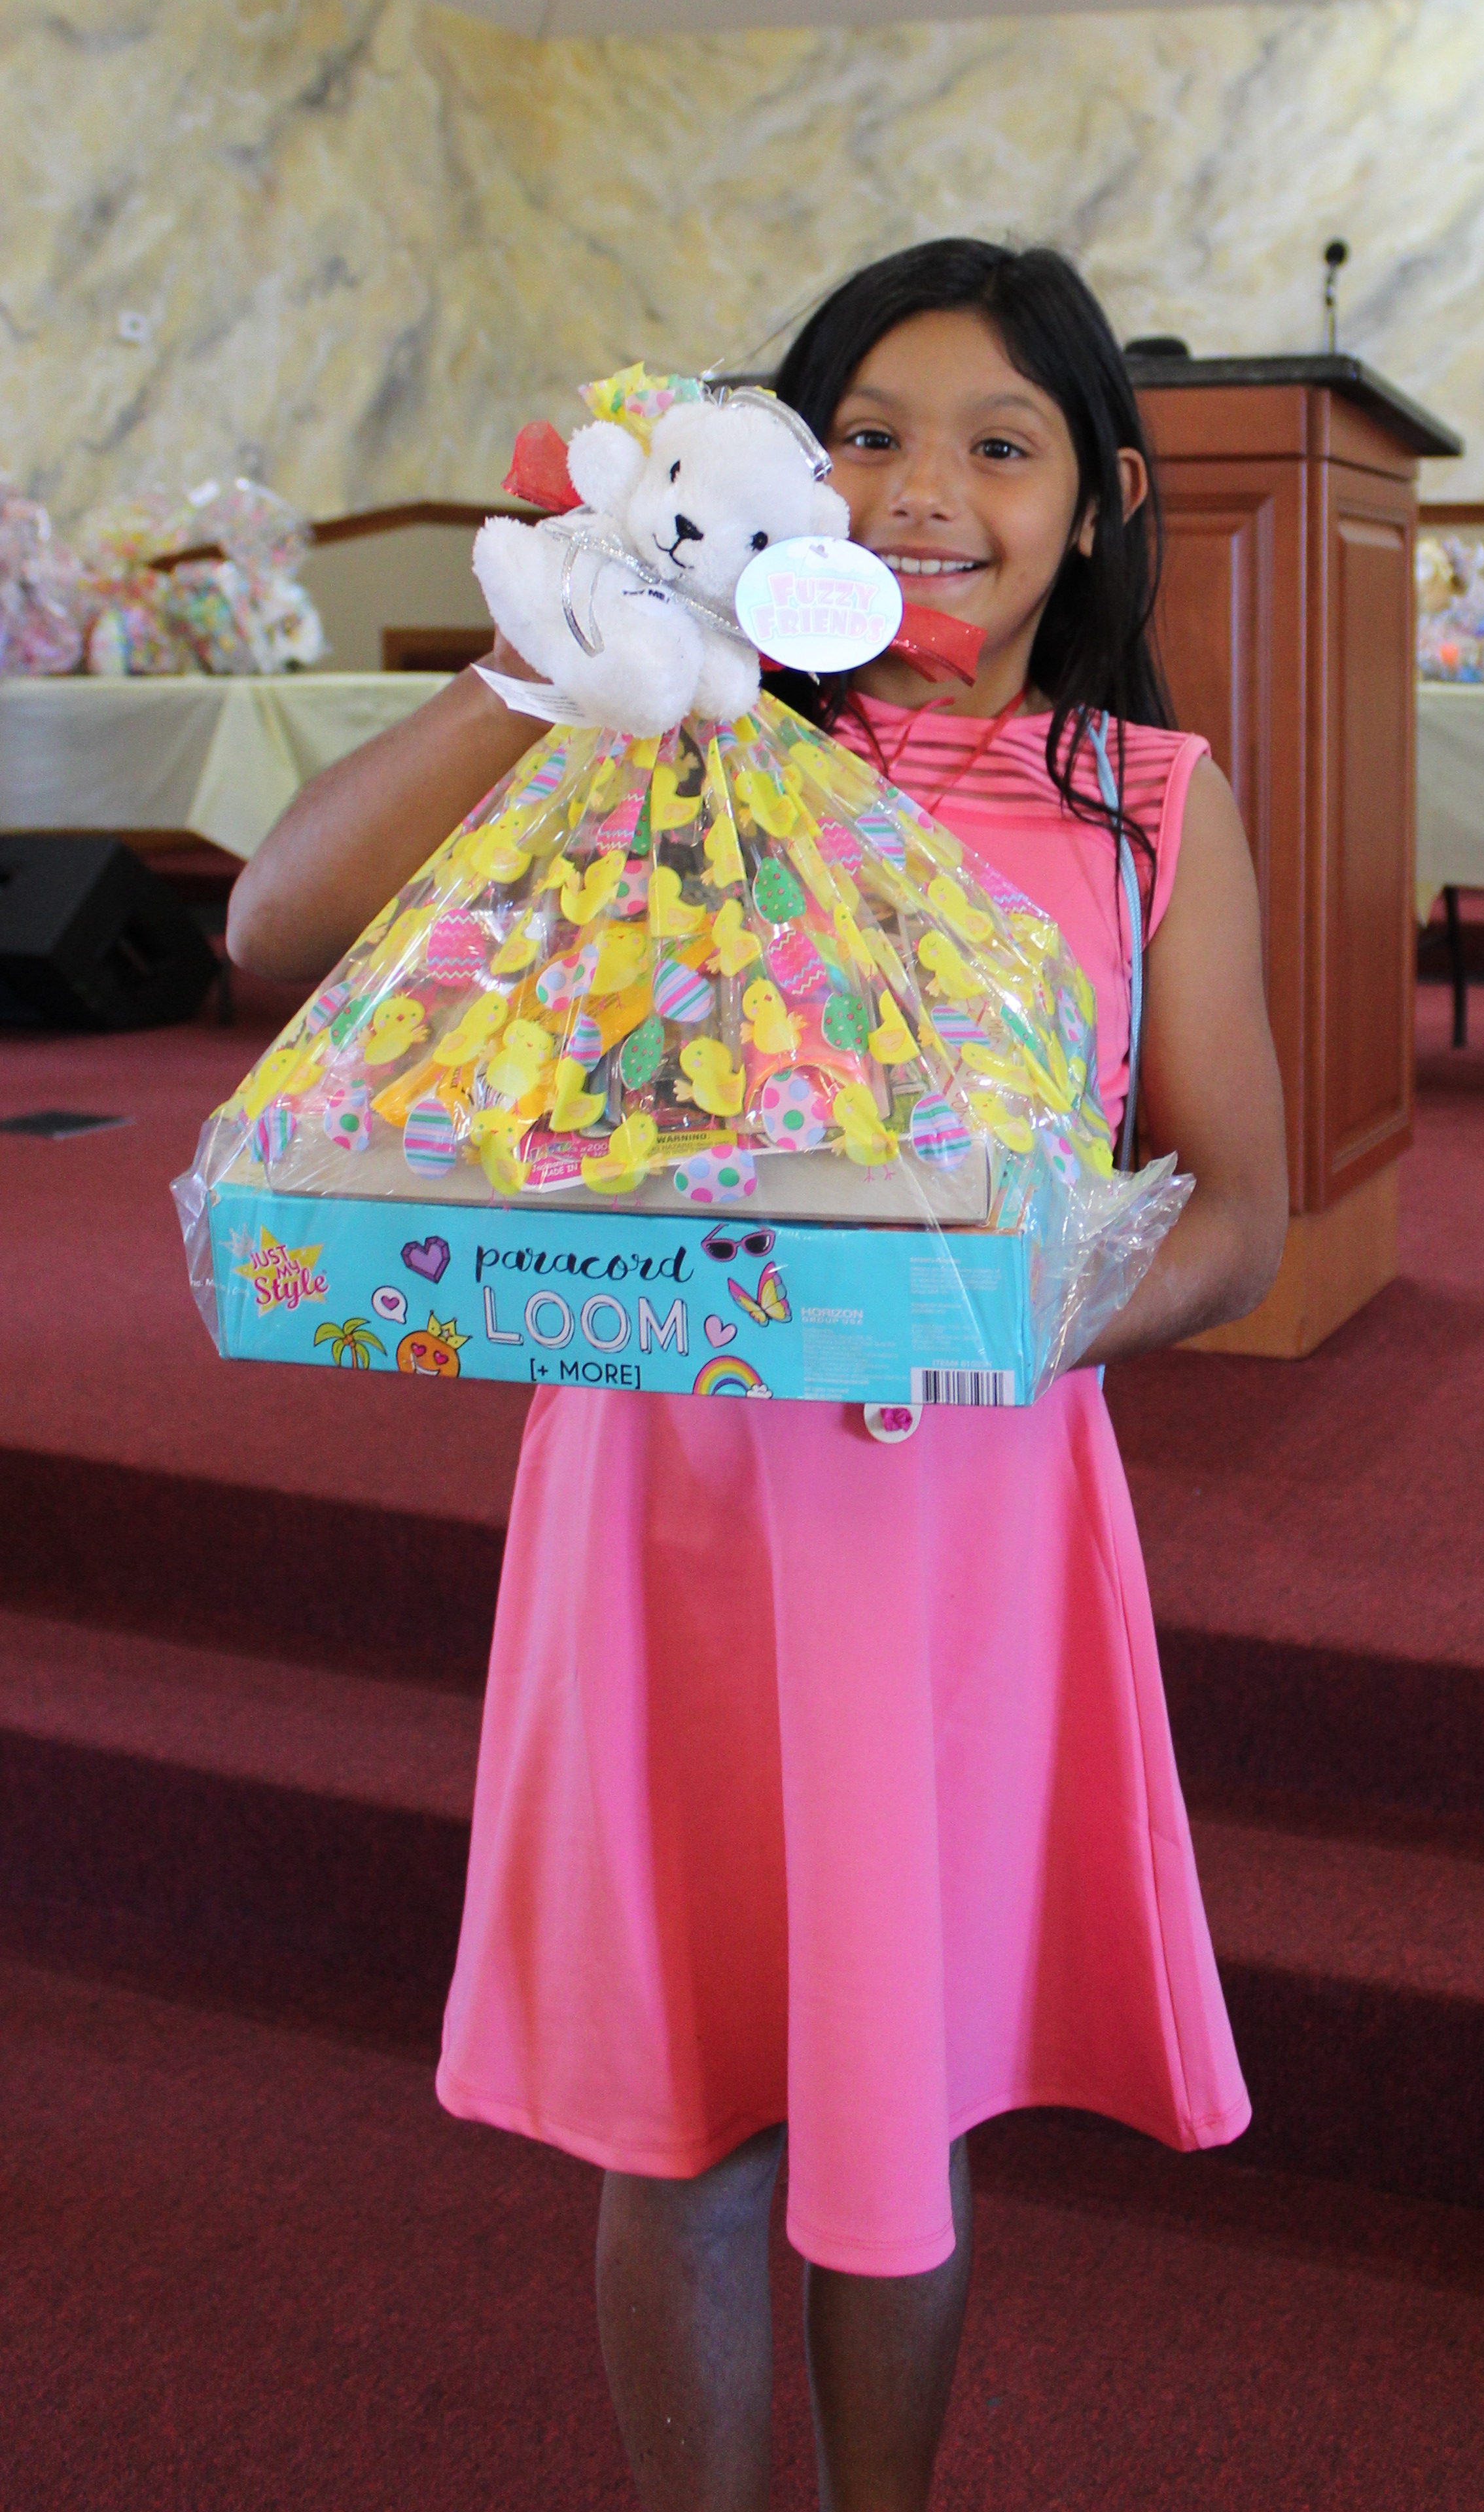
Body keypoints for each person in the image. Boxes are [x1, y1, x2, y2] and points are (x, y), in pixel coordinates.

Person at [226, 240, 1290, 2512]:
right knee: (685, 2110)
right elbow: (274, 922)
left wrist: (994, 1314)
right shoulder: (680, 739)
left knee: (897, 2110)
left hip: (956, 1525)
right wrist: (587, 635)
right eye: (869, 438)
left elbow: (1234, 1216)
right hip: (668, 1508)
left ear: (1099, 497)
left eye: (998, 445)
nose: (926, 494)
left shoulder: (1145, 799)